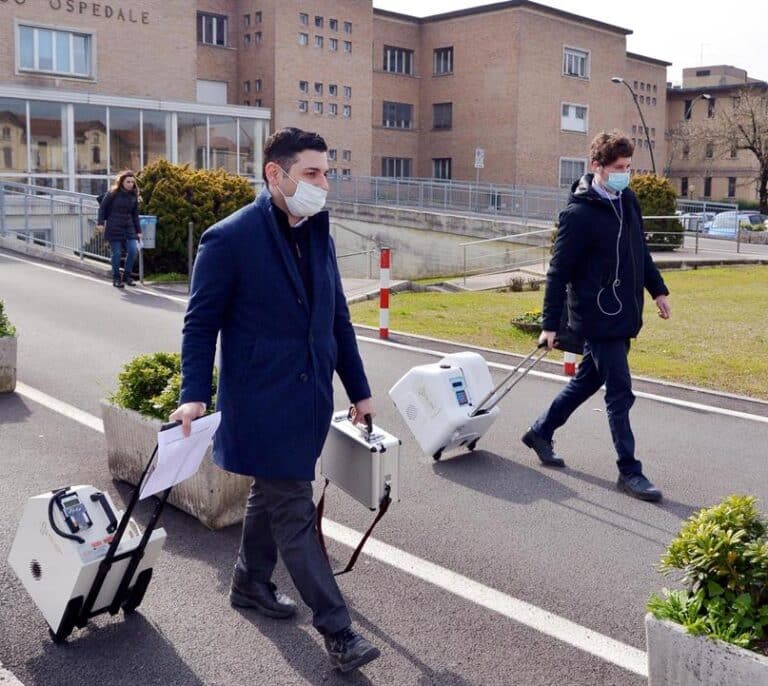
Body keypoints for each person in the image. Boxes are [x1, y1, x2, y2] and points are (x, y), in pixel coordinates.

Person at [169, 127, 380, 673]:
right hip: (261, 404)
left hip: (308, 401)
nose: (323, 183)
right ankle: (338, 631)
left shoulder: (317, 234)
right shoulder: (229, 238)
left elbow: (337, 319)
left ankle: (249, 582)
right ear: (275, 174)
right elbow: (200, 323)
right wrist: (194, 395)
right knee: (293, 509)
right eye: (312, 173)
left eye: (327, 173)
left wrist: (359, 391)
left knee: (270, 494)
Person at [521, 131, 671, 502]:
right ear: (597, 167)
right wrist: (550, 324)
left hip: (623, 312)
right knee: (620, 390)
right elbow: (558, 272)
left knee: (587, 381)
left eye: (628, 168)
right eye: (619, 168)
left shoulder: (628, 201)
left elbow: (641, 254)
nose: (625, 175)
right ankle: (629, 471)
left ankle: (540, 431)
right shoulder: (578, 214)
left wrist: (659, 291)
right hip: (596, 315)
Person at [97, 170, 142, 288]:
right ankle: (116, 277)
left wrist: (139, 231)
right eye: (128, 182)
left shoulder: (134, 195)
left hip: (129, 226)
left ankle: (127, 276)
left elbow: (135, 215)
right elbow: (102, 208)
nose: (130, 184)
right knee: (116, 253)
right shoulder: (112, 193)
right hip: (114, 226)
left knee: (133, 251)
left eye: (132, 182)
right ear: (121, 182)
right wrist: (100, 223)